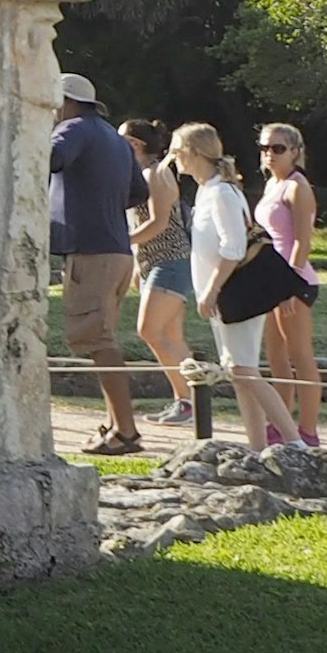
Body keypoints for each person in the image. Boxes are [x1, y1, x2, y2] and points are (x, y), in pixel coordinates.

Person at [178, 124, 297, 447]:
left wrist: (211, 290)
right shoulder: (206, 191)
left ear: (194, 153)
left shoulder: (222, 193)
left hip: (234, 290)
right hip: (220, 295)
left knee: (244, 370)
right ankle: (257, 446)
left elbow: (234, 247)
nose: (174, 157)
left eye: (178, 151)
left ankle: (294, 441)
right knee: (238, 372)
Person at [47, 72, 145, 453]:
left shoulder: (73, 128)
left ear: (64, 101)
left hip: (91, 251)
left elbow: (51, 156)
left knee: (99, 342)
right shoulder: (115, 139)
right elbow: (139, 191)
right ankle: (115, 426)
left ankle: (126, 431)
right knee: (102, 338)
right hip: (118, 248)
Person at [122, 116, 203, 432]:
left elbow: (157, 223)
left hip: (170, 261)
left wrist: (121, 242)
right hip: (155, 263)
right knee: (171, 335)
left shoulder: (154, 174)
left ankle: (188, 400)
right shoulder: (144, 174)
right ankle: (188, 401)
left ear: (136, 144)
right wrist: (135, 263)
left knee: (149, 330)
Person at [252, 123, 321, 446]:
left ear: (295, 151)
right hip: (269, 281)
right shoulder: (272, 186)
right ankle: (281, 424)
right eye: (265, 148)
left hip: (294, 281)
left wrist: (289, 285)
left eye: (278, 148)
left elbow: (302, 242)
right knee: (276, 357)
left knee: (300, 355)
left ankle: (308, 430)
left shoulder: (297, 187)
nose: (270, 154)